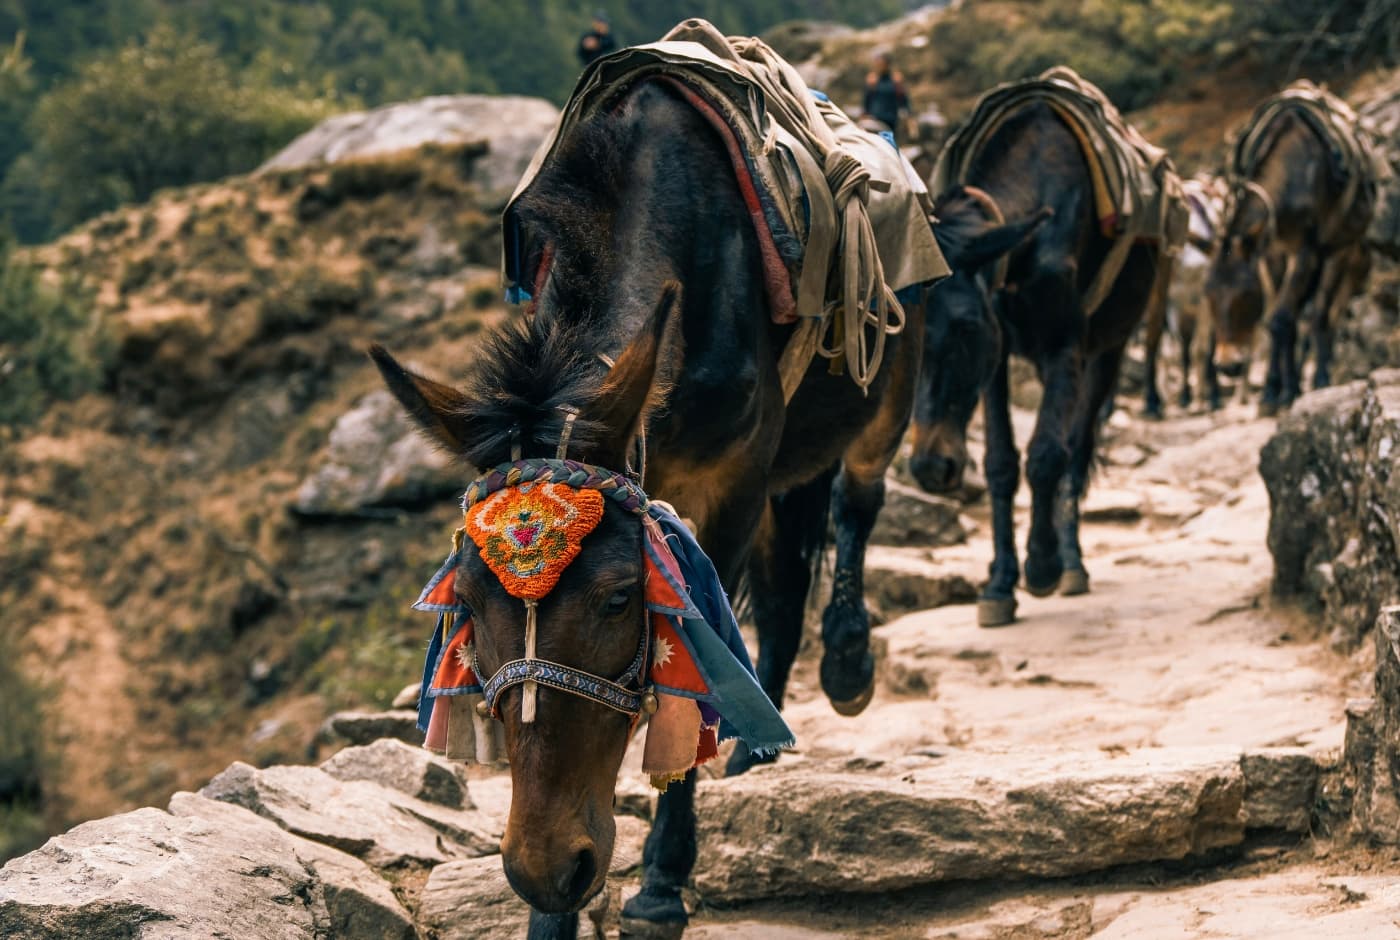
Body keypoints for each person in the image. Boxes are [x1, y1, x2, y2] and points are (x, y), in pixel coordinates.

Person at [862, 52, 910, 144]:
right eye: (878, 64)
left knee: (889, 145)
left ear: (887, 64)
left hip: (891, 119)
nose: (879, 66)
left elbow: (903, 99)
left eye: (882, 64)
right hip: (875, 118)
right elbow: (867, 99)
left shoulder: (895, 80)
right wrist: (865, 113)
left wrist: (907, 115)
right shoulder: (873, 81)